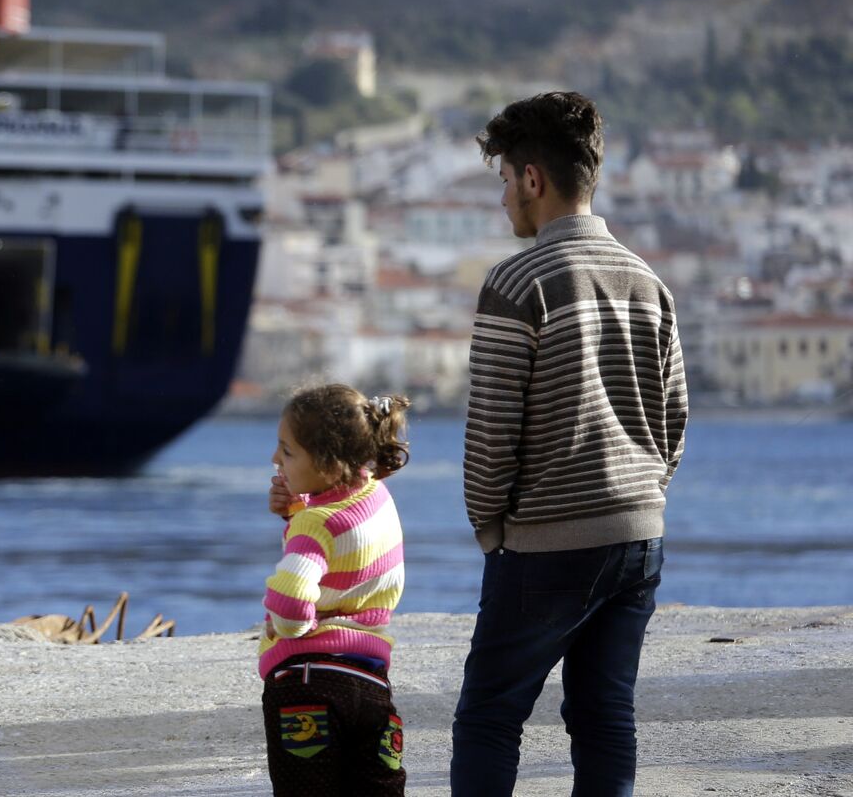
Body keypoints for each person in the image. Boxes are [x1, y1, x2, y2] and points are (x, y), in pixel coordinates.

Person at [450, 91, 688, 796]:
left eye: (504, 180)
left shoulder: (517, 283)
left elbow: (492, 433)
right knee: (605, 715)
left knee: (489, 718)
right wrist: (641, 501)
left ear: (532, 179)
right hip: (639, 538)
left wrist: (491, 529)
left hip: (545, 545)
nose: (503, 200)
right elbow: (674, 421)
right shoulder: (650, 283)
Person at [260, 383, 411, 795]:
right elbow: (345, 549)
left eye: (287, 452)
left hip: (306, 686)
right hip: (371, 684)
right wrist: (296, 507)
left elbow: (290, 603)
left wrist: (289, 627)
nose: (275, 459)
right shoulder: (377, 497)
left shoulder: (315, 523)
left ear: (327, 463)